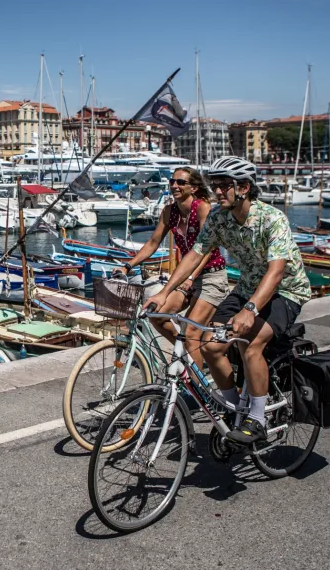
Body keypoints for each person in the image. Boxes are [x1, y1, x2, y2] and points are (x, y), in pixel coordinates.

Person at [144, 156, 311, 444]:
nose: (218, 191)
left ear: (244, 187)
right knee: (210, 345)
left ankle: (257, 420)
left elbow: (276, 272)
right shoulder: (219, 218)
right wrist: (164, 292)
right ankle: (234, 410)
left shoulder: (272, 219)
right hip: (247, 287)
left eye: (224, 185)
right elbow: (195, 254)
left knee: (250, 343)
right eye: (215, 185)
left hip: (286, 291)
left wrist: (250, 309)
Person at [119, 167, 229, 374]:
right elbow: (153, 243)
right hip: (185, 276)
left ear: (193, 188)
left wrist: (191, 276)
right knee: (157, 315)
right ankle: (187, 354)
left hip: (210, 276)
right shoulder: (170, 211)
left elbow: (207, 248)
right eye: (172, 182)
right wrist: (127, 266)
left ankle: (195, 385)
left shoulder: (203, 208)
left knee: (192, 332)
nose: (174, 186)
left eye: (180, 182)